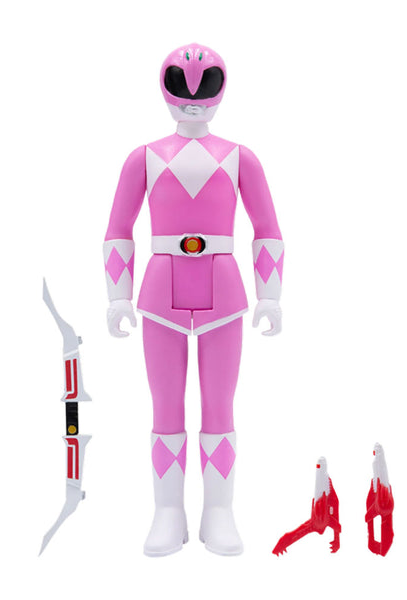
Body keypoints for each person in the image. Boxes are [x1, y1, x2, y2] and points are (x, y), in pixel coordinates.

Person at [103, 43, 284, 556]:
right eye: (181, 84)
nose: (193, 97)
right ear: (164, 87)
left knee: (219, 405)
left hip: (223, 295)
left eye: (206, 85)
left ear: (221, 88)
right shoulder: (143, 157)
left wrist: (270, 295)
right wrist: (118, 296)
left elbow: (267, 229)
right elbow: (118, 230)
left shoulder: (241, 157)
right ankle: (168, 510)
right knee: (165, 405)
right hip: (160, 295)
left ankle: (218, 510)